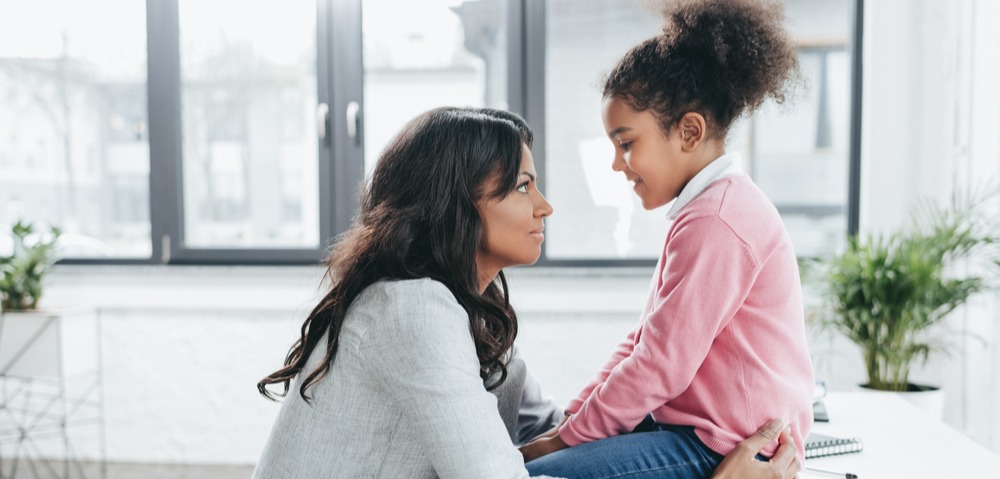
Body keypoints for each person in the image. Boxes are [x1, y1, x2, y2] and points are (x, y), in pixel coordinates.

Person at [251, 105, 801, 478]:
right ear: (456, 206)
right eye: (522, 186)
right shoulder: (413, 310)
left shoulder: (470, 315)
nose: (545, 206)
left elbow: (551, 431)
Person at [520, 0, 815, 478]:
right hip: (698, 432)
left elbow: (659, 364)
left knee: (538, 476)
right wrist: (571, 420)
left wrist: (566, 439)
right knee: (543, 459)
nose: (617, 164)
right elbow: (644, 342)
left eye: (627, 142)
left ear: (689, 131)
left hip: (723, 447)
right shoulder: (708, 209)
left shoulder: (718, 220)